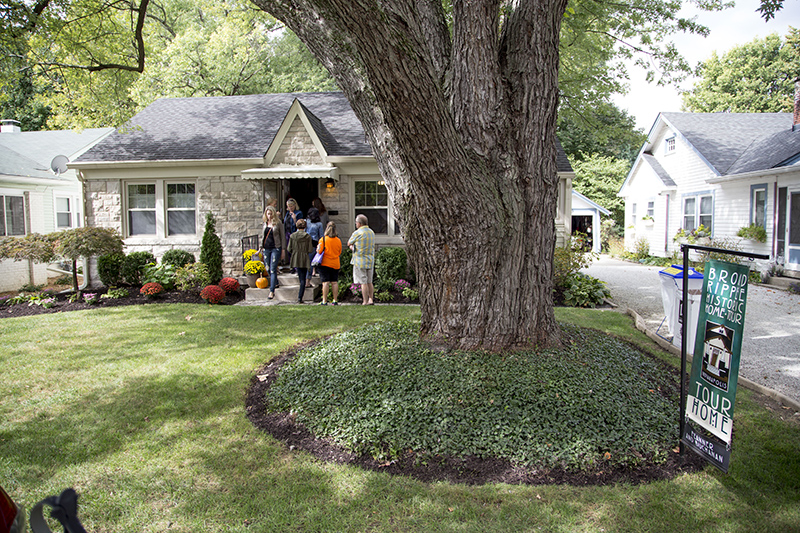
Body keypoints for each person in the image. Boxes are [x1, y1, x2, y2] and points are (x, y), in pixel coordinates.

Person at [348, 214, 376, 305]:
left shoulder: (357, 233)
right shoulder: (371, 232)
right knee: (369, 282)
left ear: (359, 223)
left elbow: (349, 243)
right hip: (370, 260)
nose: (356, 224)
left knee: (363, 282)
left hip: (360, 261)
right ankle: (371, 299)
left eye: (356, 222)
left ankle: (365, 301)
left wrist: (352, 247)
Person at [287, 218, 314, 303]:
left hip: (296, 258)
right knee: (303, 279)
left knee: (300, 277)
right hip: (305, 258)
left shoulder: (292, 236)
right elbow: (310, 249)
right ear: (305, 226)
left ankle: (300, 297)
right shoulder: (307, 236)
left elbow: (289, 248)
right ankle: (300, 297)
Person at [261, 205, 285, 300]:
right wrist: (260, 247)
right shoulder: (265, 223)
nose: (269, 216)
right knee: (267, 268)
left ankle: (271, 291)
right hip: (266, 248)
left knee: (273, 268)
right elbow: (262, 237)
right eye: (268, 214)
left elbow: (282, 237)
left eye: (271, 214)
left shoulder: (278, 223)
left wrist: (283, 250)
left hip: (276, 248)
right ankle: (275, 282)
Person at [316, 221, 342, 305]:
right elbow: (339, 252)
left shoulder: (323, 239)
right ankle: (335, 300)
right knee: (334, 282)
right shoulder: (338, 240)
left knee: (325, 282)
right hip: (335, 263)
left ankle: (324, 300)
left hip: (325, 263)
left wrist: (317, 249)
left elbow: (319, 251)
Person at [305, 207, 324, 285]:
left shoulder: (305, 222)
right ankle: (307, 281)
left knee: (306, 262)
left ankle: (305, 280)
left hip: (305, 243)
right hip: (313, 243)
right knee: (310, 263)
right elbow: (321, 236)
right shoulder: (319, 224)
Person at [283, 198, 303, 268]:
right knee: (289, 250)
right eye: (288, 206)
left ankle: (296, 267)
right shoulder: (287, 214)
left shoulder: (298, 213)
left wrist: (295, 219)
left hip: (294, 233)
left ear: (295, 205)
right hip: (287, 233)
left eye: (291, 206)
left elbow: (300, 225)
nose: (290, 208)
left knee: (295, 250)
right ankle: (291, 266)